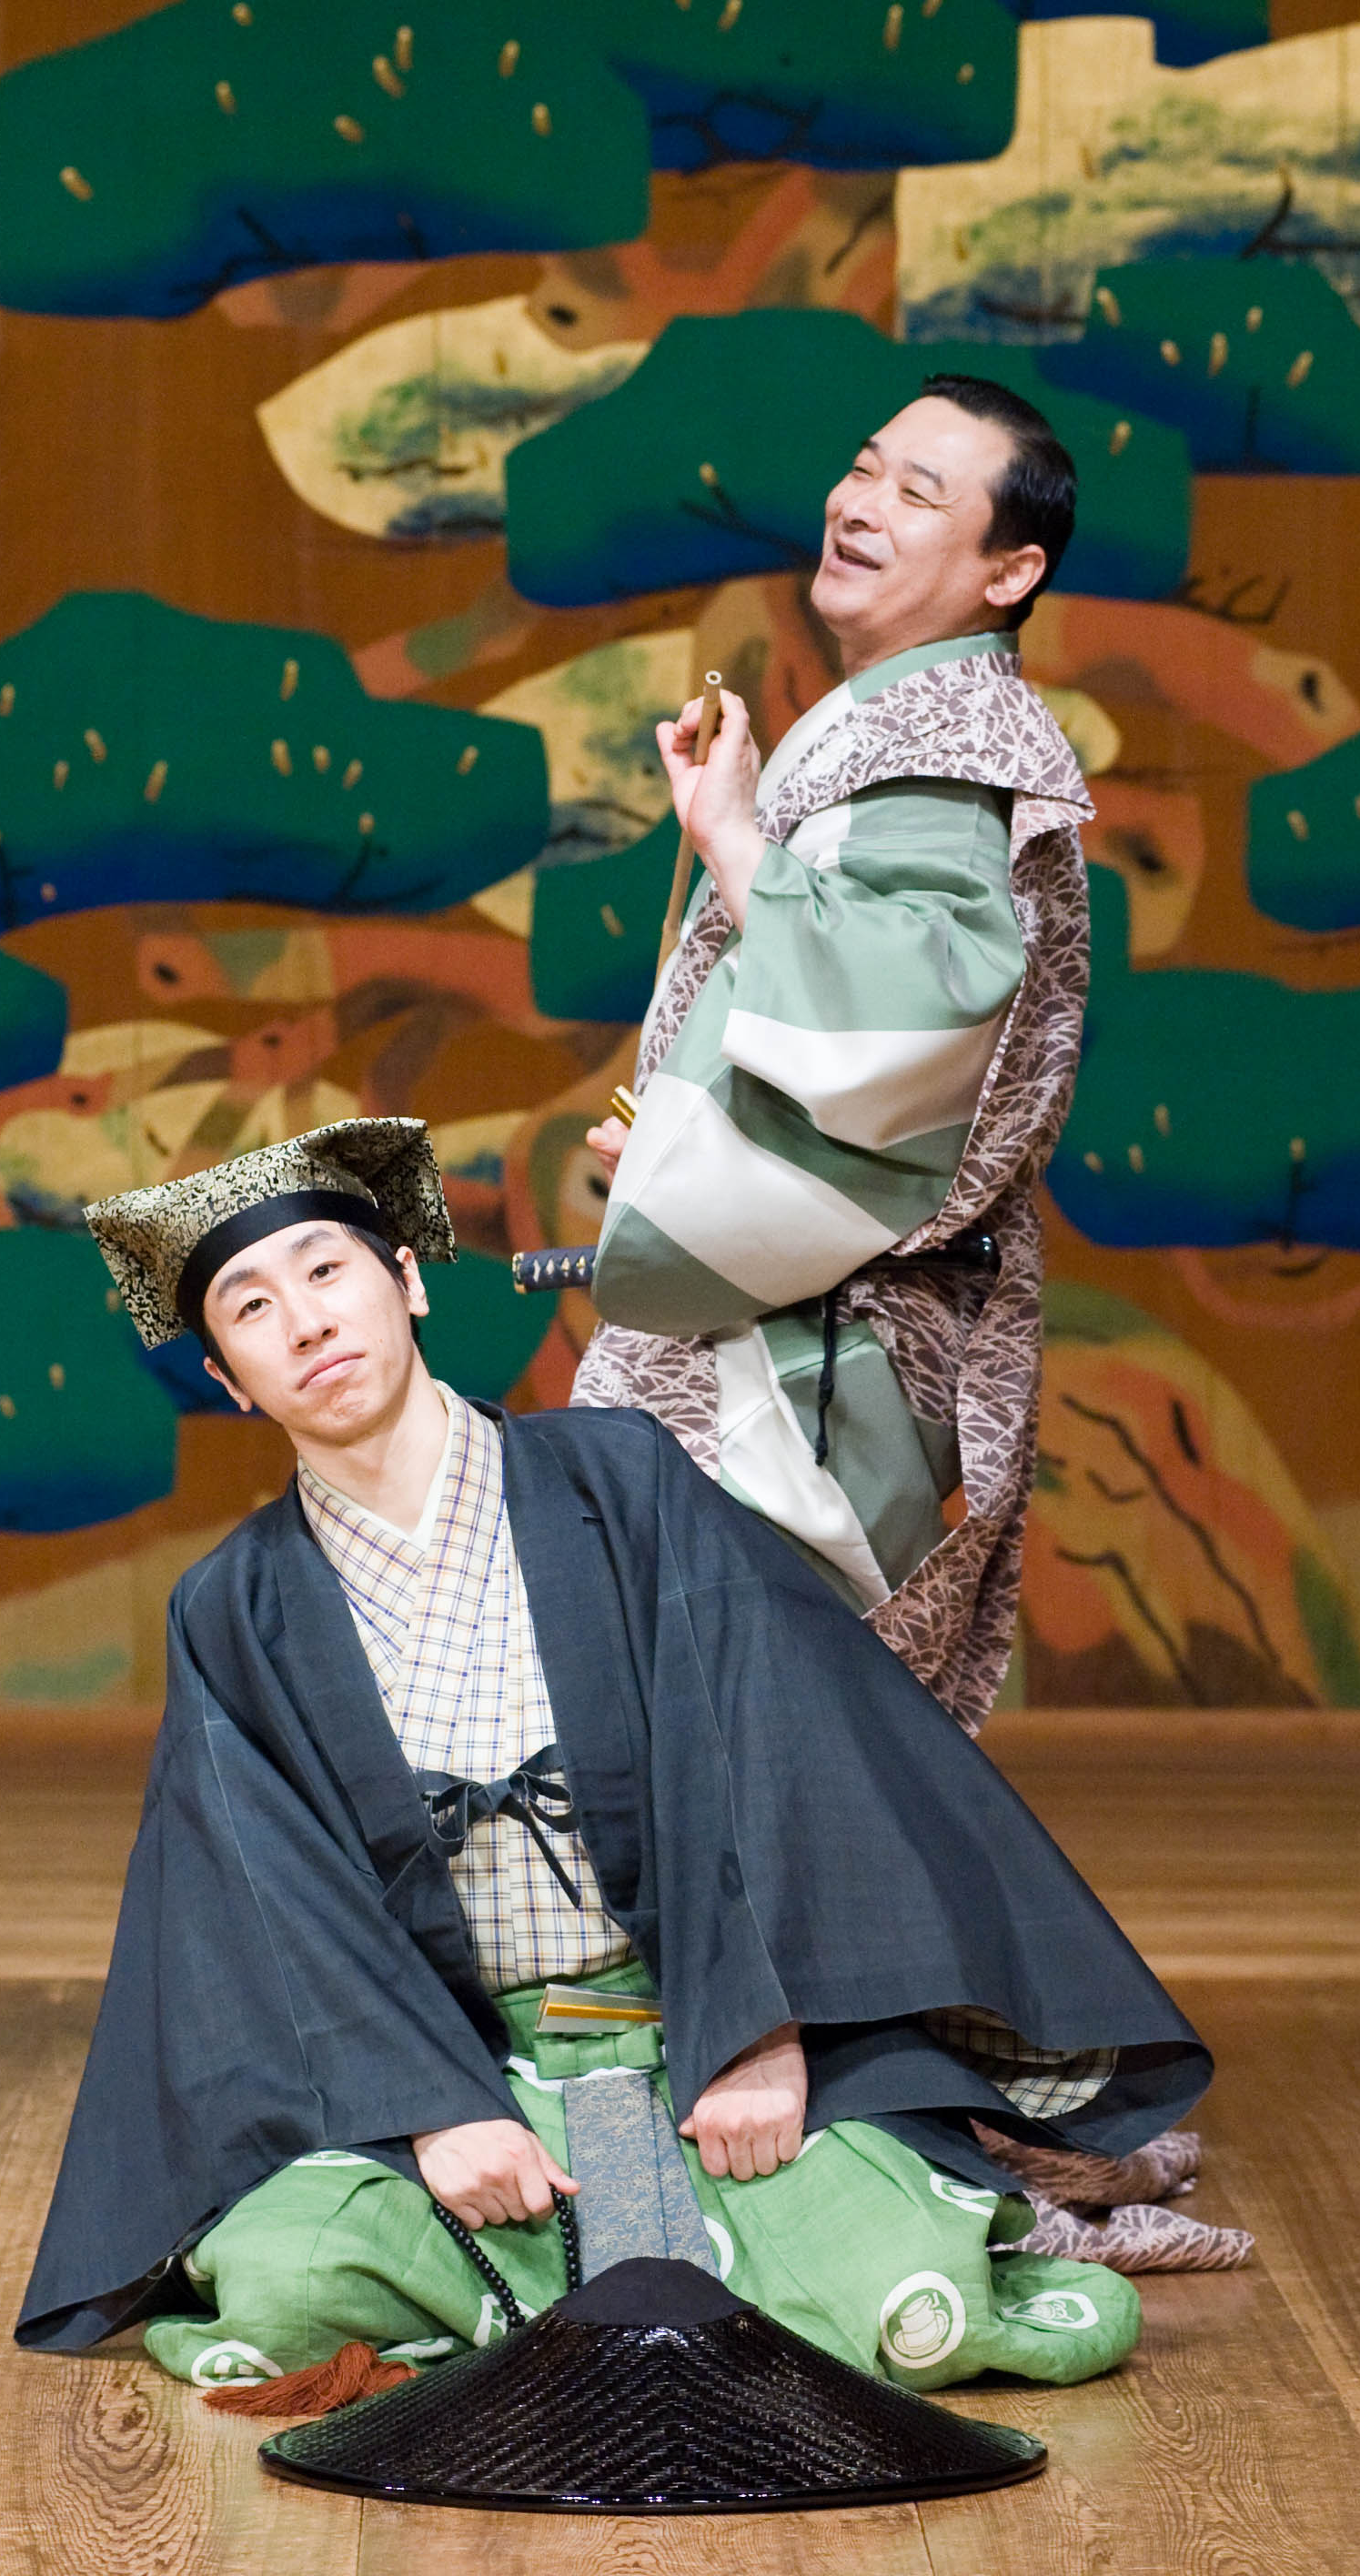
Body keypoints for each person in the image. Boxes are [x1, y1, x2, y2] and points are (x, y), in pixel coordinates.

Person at [20, 1117, 1208, 2395]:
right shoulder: (234, 1606)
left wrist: (759, 2030)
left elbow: (770, 1739)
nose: (306, 1323)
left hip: (696, 2037)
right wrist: (432, 2107)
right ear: (230, 1379)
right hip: (468, 2066)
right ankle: (616, 2272)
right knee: (290, 2278)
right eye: (253, 1309)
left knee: (906, 2284)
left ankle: (576, 2299)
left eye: (326, 1271)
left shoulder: (618, 1477)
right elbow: (265, 1897)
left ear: (408, 1283)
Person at [572, 375, 1097, 1726]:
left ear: (1009, 572)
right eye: (864, 470)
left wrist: (738, 841)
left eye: (918, 494)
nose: (861, 505)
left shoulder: (943, 749)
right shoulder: (904, 721)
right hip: (804, 1316)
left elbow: (901, 1022)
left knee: (762, 1741)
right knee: (743, 1742)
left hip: (817, 1346)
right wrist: (680, 1149)